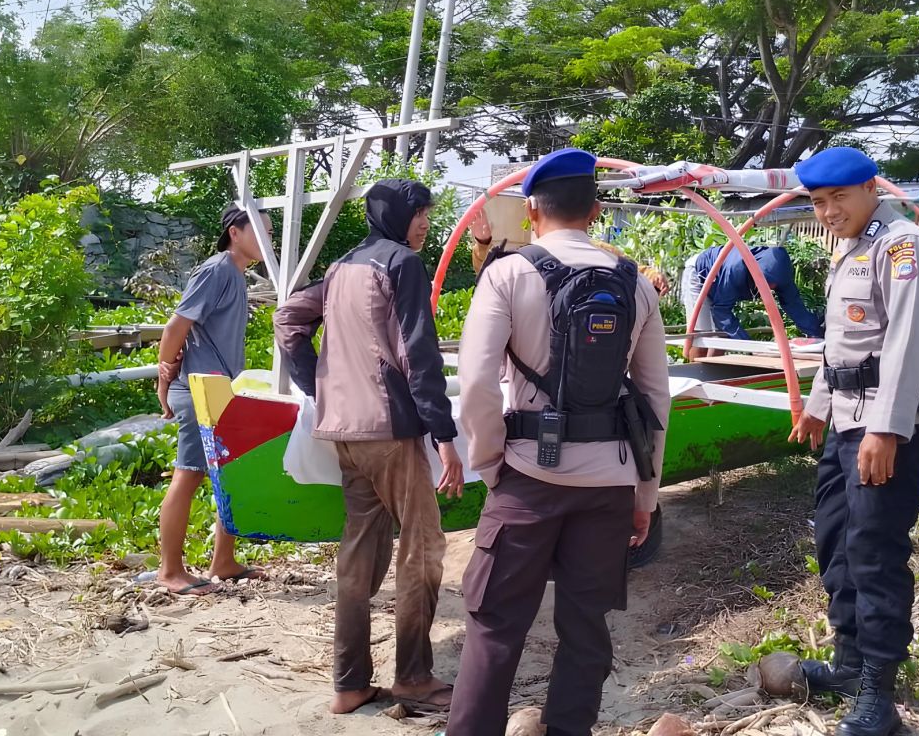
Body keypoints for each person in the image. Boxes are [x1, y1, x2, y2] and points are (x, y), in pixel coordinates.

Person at [447, 148, 671, 736]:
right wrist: (645, 493)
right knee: (586, 626)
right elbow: (654, 400)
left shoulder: (508, 273)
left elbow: (475, 384)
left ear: (531, 212)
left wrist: (492, 463)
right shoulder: (636, 285)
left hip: (528, 475)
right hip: (610, 483)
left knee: (496, 625)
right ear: (595, 210)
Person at [273, 179, 464, 716]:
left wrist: (321, 388)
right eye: (417, 212)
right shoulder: (400, 263)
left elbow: (287, 318)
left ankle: (350, 684)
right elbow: (419, 355)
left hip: (344, 434)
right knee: (421, 552)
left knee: (358, 558)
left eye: (426, 212)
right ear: (395, 215)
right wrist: (445, 437)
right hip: (390, 432)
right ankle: (413, 678)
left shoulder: (342, 267)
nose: (424, 222)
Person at [788, 147, 919, 736]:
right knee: (834, 538)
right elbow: (840, 345)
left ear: (869, 189)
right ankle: (850, 662)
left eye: (839, 198)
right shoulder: (850, 248)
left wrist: (885, 429)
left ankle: (880, 694)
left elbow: (906, 344)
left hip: (892, 422)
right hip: (845, 419)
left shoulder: (901, 244)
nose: (829, 211)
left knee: (875, 550)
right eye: (819, 202)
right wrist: (816, 407)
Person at [155, 207, 270, 596]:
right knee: (188, 475)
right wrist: (163, 375)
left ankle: (223, 561)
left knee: (229, 472)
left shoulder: (237, 274)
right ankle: (169, 571)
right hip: (196, 388)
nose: (268, 238)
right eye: (260, 230)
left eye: (271, 231)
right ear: (234, 232)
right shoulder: (217, 269)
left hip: (220, 389)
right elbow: (176, 326)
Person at [468, 206, 670, 295]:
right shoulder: (527, 257)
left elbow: (634, 269)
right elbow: (488, 272)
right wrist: (483, 243)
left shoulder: (600, 250)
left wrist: (653, 275)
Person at [680, 244, 823, 359]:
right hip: (701, 274)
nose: (769, 289)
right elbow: (721, 311)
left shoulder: (780, 275)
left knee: (721, 336)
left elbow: (794, 306)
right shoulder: (735, 270)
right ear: (757, 274)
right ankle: (697, 377)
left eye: (773, 286)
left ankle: (712, 377)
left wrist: (818, 334)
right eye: (766, 284)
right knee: (702, 334)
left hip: (721, 282)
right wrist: (748, 346)